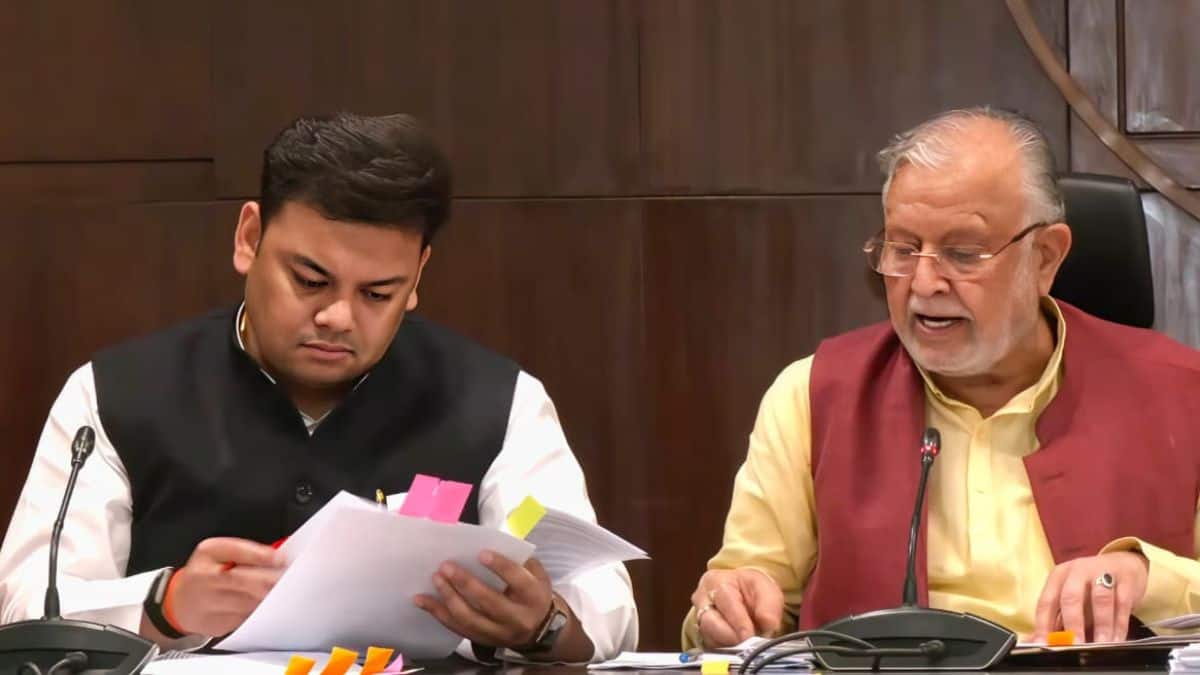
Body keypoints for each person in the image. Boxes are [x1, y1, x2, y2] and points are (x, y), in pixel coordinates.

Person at [0, 112, 636, 662]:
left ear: (418, 275)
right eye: (310, 281)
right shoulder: (116, 393)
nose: (337, 317)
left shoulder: (498, 402)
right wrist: (163, 605)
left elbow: (608, 611)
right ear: (250, 238)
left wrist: (542, 624)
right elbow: (27, 609)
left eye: (377, 294)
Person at [683, 106, 1200, 648]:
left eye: (963, 253)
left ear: (1045, 258)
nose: (925, 283)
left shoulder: (1181, 393)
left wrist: (1147, 578)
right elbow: (734, 608)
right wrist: (727, 608)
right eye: (903, 249)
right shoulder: (812, 396)